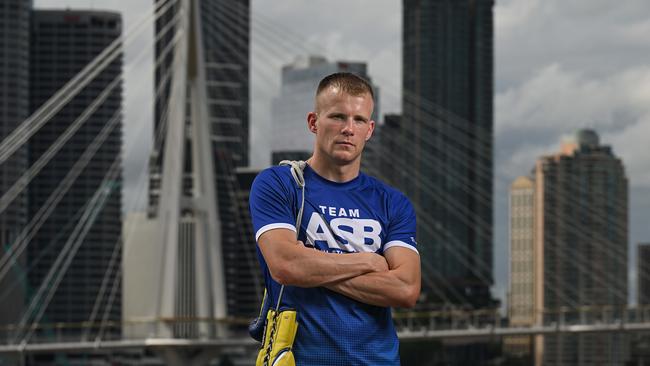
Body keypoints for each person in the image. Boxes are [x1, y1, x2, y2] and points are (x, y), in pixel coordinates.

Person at [249, 72, 421, 365]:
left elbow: (405, 289)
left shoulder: (392, 203)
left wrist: (309, 267)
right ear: (314, 122)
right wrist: (368, 262)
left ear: (370, 130)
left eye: (358, 120)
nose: (348, 129)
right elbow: (285, 265)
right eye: (337, 117)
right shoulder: (280, 184)